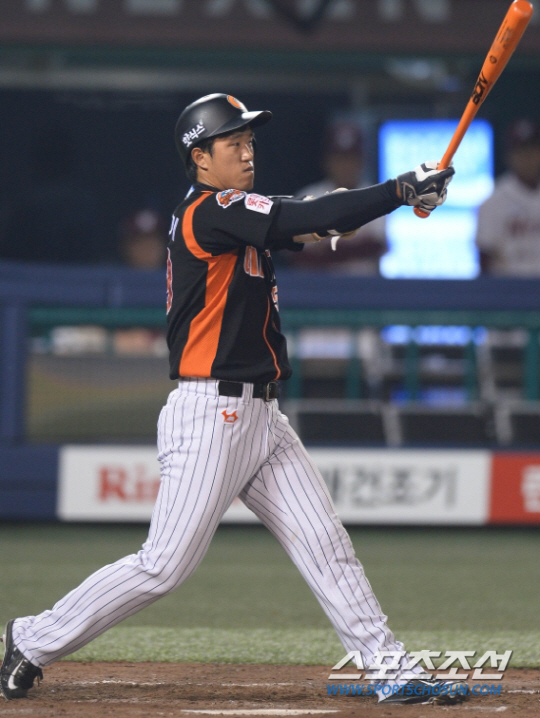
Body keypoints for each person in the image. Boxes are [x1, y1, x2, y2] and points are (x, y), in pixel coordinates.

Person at [0, 94, 460, 706]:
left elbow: (317, 221)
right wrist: (400, 189)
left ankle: (386, 665)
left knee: (325, 543)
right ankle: (32, 638)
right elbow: (303, 215)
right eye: (233, 143)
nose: (247, 152)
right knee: (163, 567)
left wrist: (402, 197)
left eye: (249, 141)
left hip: (263, 415)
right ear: (200, 157)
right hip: (211, 415)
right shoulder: (208, 211)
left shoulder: (236, 214)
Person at [291, 121, 387, 275]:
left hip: (364, 286)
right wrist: (354, 246)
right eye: (339, 159)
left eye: (351, 158)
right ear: (327, 161)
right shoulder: (307, 197)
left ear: (362, 161)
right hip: (317, 286)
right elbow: (299, 255)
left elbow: (377, 246)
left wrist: (326, 246)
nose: (345, 166)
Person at [476, 118, 540, 275]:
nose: (527, 158)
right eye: (521, 152)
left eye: (532, 151)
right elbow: (485, 260)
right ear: (509, 156)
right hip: (509, 286)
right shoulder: (492, 203)